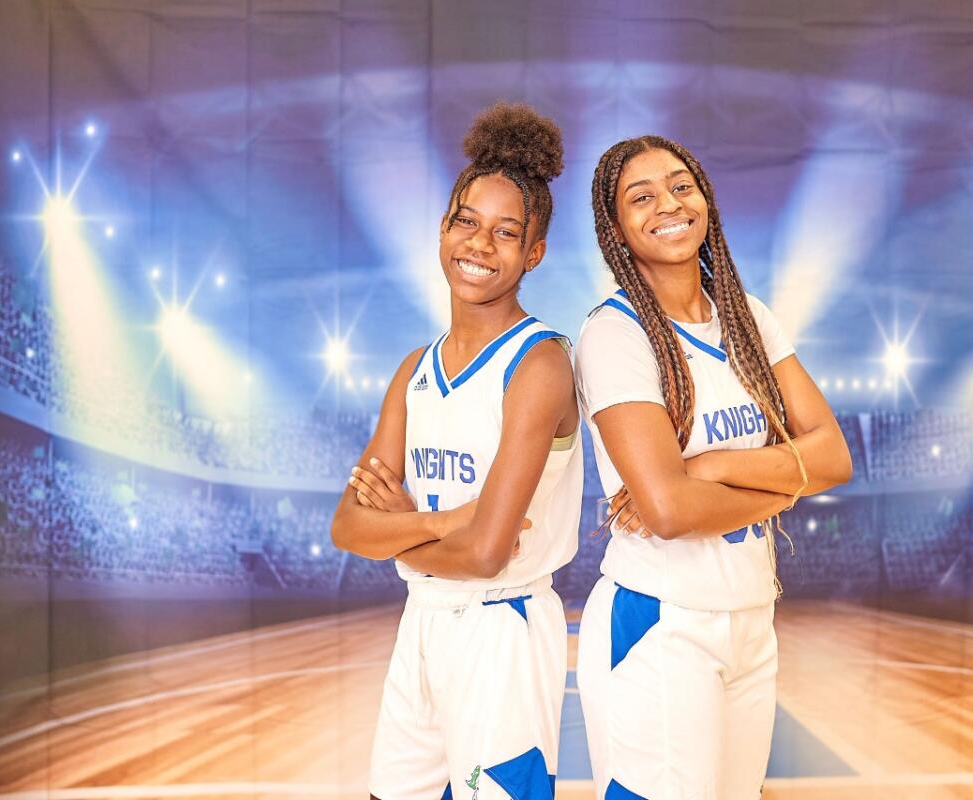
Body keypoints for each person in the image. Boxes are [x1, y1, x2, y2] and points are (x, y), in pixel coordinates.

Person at [574, 135, 853, 798]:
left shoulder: (748, 318)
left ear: (705, 200)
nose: (667, 204)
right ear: (616, 229)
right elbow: (668, 513)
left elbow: (834, 457)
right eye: (640, 197)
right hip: (661, 625)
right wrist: (784, 485)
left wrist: (711, 466)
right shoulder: (615, 334)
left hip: (752, 616)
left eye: (680, 186)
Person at [330, 103, 582, 800]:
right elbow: (348, 527)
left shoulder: (539, 366)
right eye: (466, 221)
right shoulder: (414, 369)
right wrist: (441, 520)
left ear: (533, 253)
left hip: (501, 629)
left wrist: (401, 531)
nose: (479, 243)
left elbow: (486, 553)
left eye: (507, 232)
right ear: (443, 229)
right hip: (423, 624)